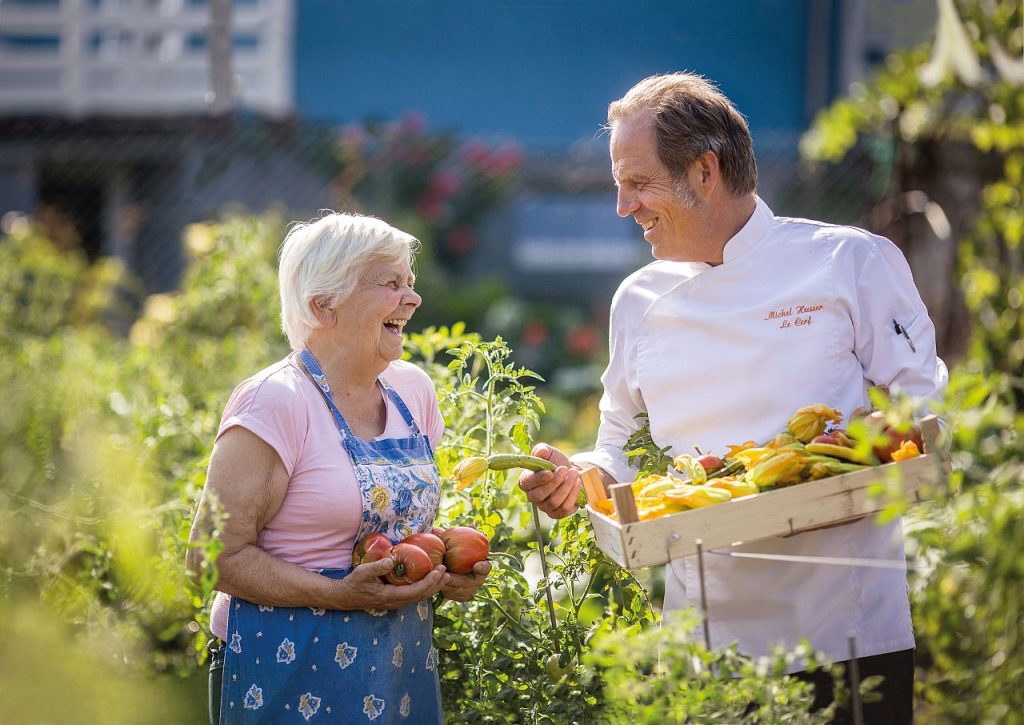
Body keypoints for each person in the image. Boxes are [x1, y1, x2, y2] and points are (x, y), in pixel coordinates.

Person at [519, 73, 946, 723]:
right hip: (707, 652)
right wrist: (581, 476)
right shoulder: (636, 301)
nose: (622, 206)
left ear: (705, 171)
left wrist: (874, 447)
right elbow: (615, 446)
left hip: (848, 633)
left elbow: (925, 412)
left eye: (637, 183)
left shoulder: (847, 263)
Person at [187, 213, 490, 724]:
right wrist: (337, 595)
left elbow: (399, 534)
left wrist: (444, 568)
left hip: (396, 664)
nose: (412, 299)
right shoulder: (275, 402)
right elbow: (210, 558)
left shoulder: (413, 391)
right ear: (322, 305)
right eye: (391, 284)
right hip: (284, 666)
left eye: (410, 284)